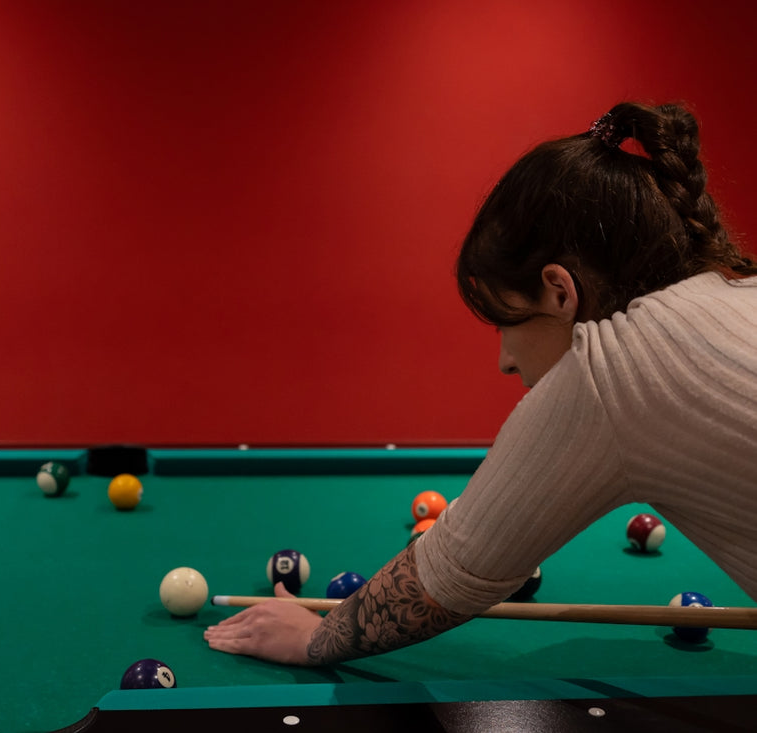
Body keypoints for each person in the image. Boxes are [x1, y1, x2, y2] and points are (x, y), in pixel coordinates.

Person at [203, 101, 757, 666]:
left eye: (505, 320)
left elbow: (446, 574)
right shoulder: (744, 290)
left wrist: (315, 639)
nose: (504, 361)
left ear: (559, 292)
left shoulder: (612, 369)